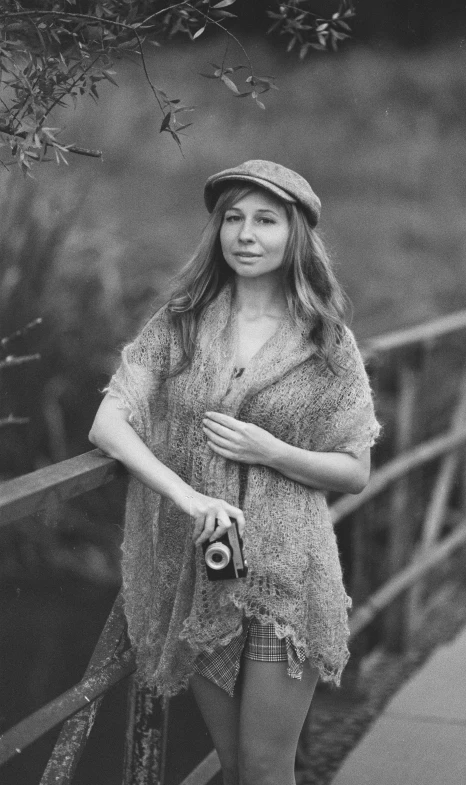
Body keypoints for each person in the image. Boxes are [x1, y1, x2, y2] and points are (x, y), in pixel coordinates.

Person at [89, 160, 380, 785]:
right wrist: (187, 495)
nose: (246, 235)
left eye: (265, 221)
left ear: (294, 234)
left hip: (287, 575)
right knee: (233, 766)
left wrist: (270, 450)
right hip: (204, 569)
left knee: (267, 765)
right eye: (233, 219)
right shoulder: (182, 323)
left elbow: (354, 470)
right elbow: (108, 423)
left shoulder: (325, 340)